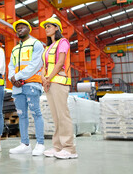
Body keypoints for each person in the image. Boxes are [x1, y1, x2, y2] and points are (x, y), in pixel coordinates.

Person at [40, 17, 78, 159]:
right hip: (50, 83)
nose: (46, 29)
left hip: (59, 82)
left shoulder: (63, 42)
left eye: (49, 26)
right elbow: (45, 66)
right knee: (56, 117)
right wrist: (44, 78)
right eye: (45, 27)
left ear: (57, 27)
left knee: (63, 116)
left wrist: (48, 78)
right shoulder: (48, 47)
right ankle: (57, 147)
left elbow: (60, 61)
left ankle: (69, 149)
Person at [8, 19, 45, 156]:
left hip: (32, 84)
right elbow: (11, 66)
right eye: (17, 28)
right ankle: (25, 144)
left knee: (36, 113)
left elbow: (35, 64)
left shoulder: (36, 44)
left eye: (22, 27)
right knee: (21, 115)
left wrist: (17, 77)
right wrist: (12, 78)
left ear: (29, 29)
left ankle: (40, 144)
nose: (19, 30)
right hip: (17, 87)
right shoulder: (15, 48)